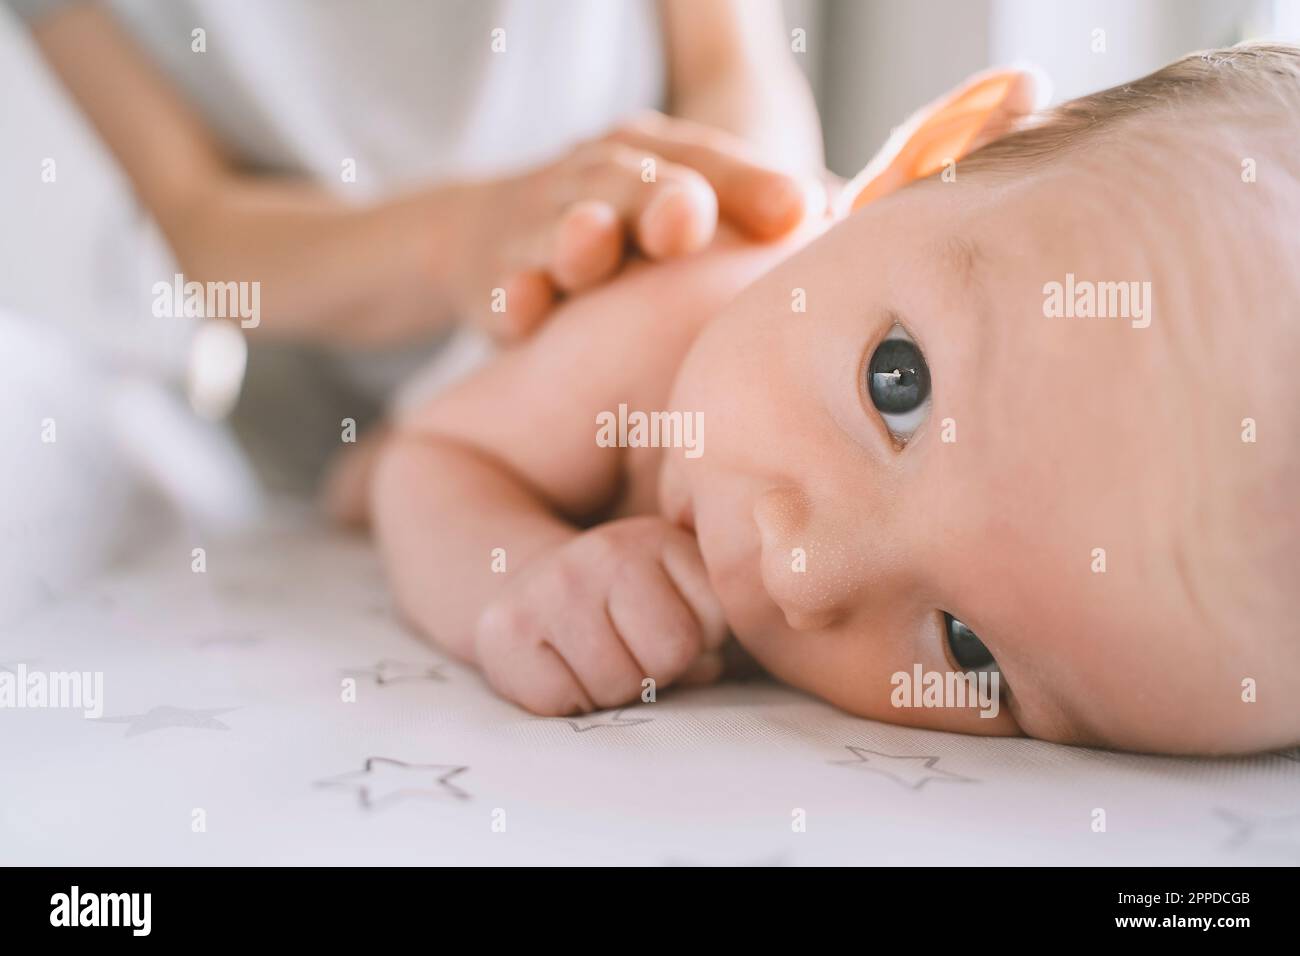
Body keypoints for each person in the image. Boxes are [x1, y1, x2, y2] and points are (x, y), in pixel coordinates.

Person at [365, 47, 1300, 755]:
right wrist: (526, 577)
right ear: (932, 159)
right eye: (897, 384)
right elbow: (428, 462)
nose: (803, 576)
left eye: (971, 653)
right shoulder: (659, 315)